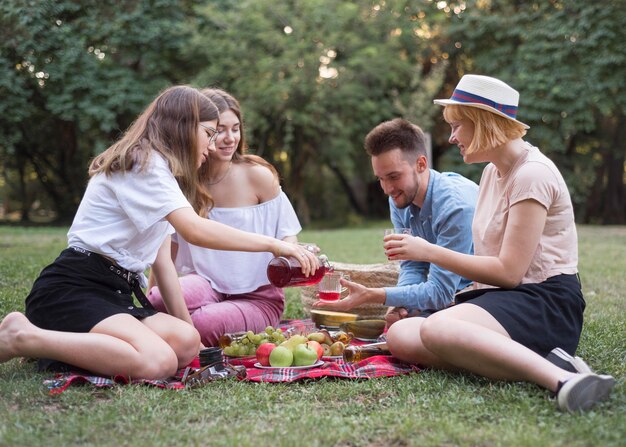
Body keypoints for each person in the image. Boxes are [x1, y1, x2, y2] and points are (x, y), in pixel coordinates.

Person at [0, 85, 318, 379]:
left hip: (115, 291)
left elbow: (163, 264)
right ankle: (25, 337)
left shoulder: (164, 174)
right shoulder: (144, 164)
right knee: (160, 363)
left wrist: (193, 343)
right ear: (182, 127)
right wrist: (277, 245)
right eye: (208, 133)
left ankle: (63, 341)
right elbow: (194, 230)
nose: (211, 145)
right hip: (75, 287)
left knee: (184, 342)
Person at [383, 74, 615, 412]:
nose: (451, 137)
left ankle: (563, 379)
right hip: (506, 298)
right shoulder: (493, 171)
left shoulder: (532, 174)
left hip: (545, 301)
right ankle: (532, 358)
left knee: (437, 329)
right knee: (401, 335)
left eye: (457, 126)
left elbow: (509, 272)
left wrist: (427, 250)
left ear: (483, 122)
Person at [147, 88, 306, 346]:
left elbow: (288, 233)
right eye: (219, 129)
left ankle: (181, 331)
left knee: (200, 324)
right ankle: (171, 328)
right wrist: (149, 302)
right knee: (157, 300)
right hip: (206, 284)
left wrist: (290, 256)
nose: (229, 138)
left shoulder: (258, 176)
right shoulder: (182, 183)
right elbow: (167, 251)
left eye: (235, 128)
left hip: (256, 297)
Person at [315, 118, 478, 327]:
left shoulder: (455, 207)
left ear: (421, 164)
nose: (387, 189)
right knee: (397, 330)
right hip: (444, 296)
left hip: (476, 296)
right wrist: (401, 305)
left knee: (410, 336)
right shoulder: (400, 197)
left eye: (393, 176)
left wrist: (375, 295)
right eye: (381, 179)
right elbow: (412, 265)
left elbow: (440, 292)